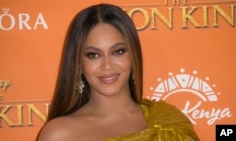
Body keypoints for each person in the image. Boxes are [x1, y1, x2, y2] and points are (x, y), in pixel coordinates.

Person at [37, 3, 200, 141]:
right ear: (78, 63)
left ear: (133, 54)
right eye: (93, 55)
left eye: (118, 52)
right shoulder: (59, 134)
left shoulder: (167, 121)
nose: (107, 65)